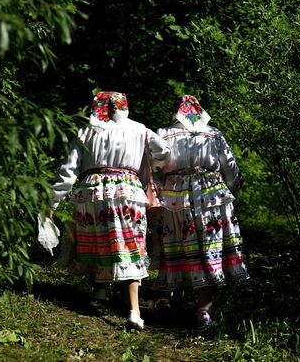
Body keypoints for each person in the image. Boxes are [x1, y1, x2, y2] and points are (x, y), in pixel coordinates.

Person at [48, 91, 170, 330]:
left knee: (99, 240)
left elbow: (68, 170)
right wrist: (150, 164)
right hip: (128, 190)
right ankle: (134, 311)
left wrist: (51, 202)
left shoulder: (86, 131)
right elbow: (164, 151)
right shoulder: (140, 129)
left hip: (93, 191)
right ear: (124, 107)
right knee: (130, 244)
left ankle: (100, 289)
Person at [156, 94, 249, 329]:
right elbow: (230, 168)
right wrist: (233, 190)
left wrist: (160, 187)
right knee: (208, 246)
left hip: (177, 195)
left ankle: (177, 297)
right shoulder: (213, 134)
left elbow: (153, 167)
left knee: (180, 243)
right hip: (211, 194)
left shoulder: (164, 134)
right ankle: (203, 311)